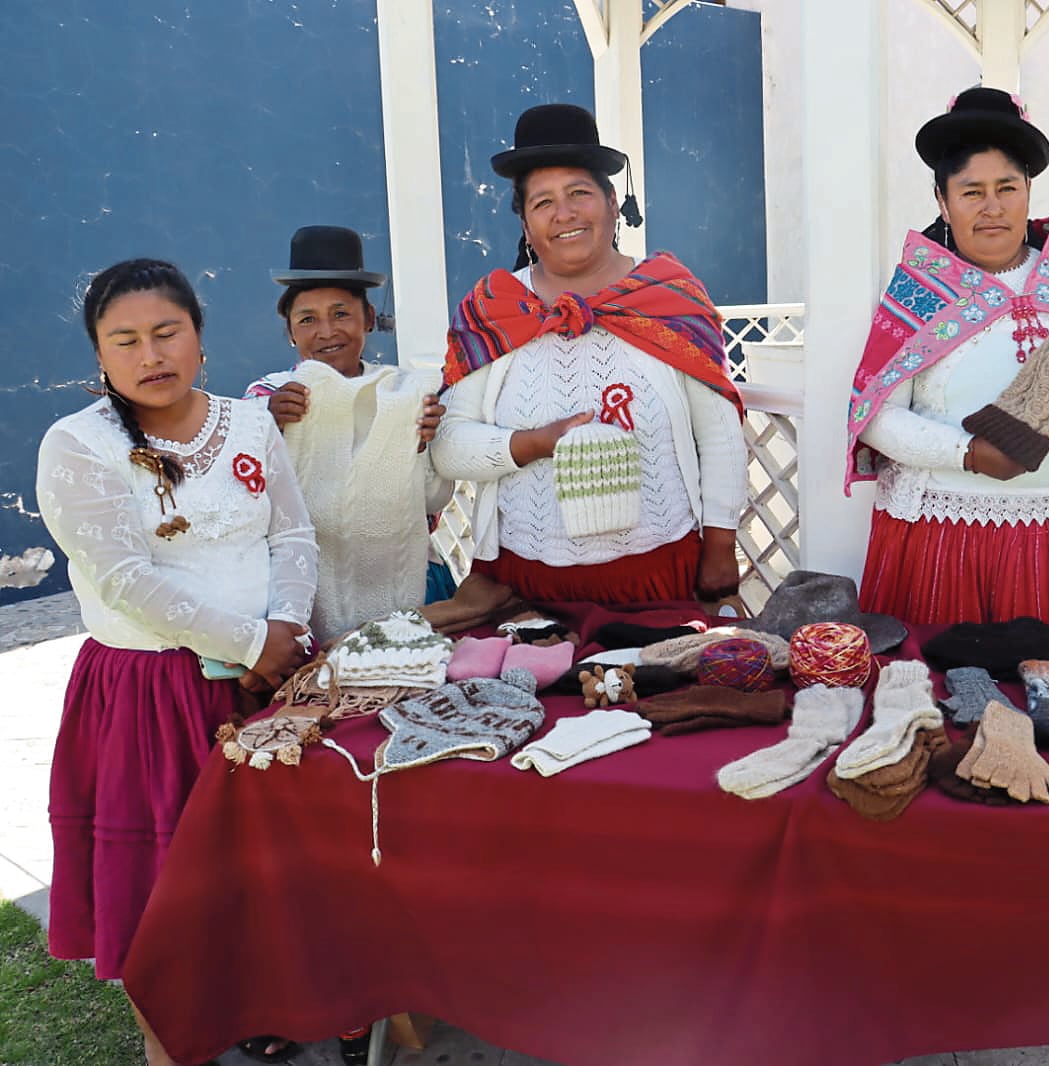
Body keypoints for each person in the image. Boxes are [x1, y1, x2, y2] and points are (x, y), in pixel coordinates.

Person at [36, 259, 316, 1065]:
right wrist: (250, 642)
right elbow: (127, 582)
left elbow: (291, 534)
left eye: (167, 333)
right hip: (154, 692)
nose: (150, 354)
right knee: (165, 883)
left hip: (275, 681)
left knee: (269, 868)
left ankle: (264, 1004)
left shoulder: (250, 424)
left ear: (198, 337)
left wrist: (288, 629)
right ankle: (172, 1040)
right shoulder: (79, 446)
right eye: (125, 341)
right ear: (99, 353)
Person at [845, 87, 1049, 632]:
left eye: (1007, 187)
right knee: (939, 696)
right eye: (971, 191)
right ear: (942, 199)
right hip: (940, 532)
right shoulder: (921, 292)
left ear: (1029, 191)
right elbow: (878, 415)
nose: (992, 207)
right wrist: (970, 454)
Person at [431, 103, 747, 606]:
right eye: (543, 202)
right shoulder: (493, 309)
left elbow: (720, 435)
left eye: (579, 193)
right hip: (523, 590)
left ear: (612, 203)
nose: (565, 214)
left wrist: (721, 550)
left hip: (661, 578)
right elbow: (447, 446)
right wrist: (532, 444)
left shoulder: (670, 297)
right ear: (526, 224)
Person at [246, 225, 454, 643]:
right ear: (289, 331)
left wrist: (421, 446)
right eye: (307, 319)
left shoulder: (404, 393)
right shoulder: (268, 397)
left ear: (369, 319)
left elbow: (433, 500)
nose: (326, 331)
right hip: (304, 594)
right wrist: (266, 427)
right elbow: (246, 497)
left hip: (403, 579)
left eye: (341, 313)